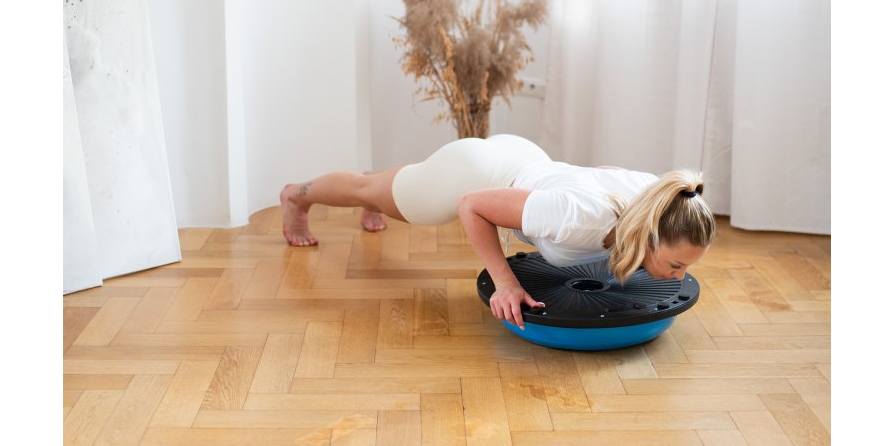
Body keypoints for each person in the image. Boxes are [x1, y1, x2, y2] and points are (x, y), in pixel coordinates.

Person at [280, 134, 716, 330]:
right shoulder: (579, 219)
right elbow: (471, 205)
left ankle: (385, 190)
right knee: (369, 190)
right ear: (649, 237)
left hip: (526, 158)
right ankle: (296, 196)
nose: (678, 277)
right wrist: (505, 283)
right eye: (676, 264)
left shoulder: (660, 197)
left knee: (387, 188)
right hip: (472, 173)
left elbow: (602, 171)